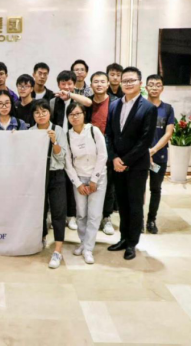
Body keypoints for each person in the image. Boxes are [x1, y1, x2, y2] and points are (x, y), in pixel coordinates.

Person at [106, 67, 158, 261]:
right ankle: (123, 238)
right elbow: (109, 135)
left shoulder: (148, 108)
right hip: (117, 164)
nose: (128, 84)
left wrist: (125, 161)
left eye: (131, 80)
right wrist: (114, 158)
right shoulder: (114, 105)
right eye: (125, 80)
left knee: (135, 204)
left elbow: (145, 141)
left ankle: (132, 243)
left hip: (136, 166)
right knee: (122, 204)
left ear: (140, 83)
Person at [64, 103, 108, 265]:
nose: (75, 117)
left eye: (78, 113)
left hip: (98, 177)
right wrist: (77, 183)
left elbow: (103, 155)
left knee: (94, 215)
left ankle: (88, 248)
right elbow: (68, 162)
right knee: (81, 214)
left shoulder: (93, 131)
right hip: (79, 178)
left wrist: (94, 179)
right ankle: (83, 242)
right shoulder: (67, 135)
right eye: (71, 114)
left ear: (84, 114)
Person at [50, 71, 92, 231]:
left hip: (76, 144)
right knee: (60, 181)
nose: (66, 87)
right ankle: (59, 215)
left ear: (74, 84)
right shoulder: (53, 101)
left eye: (69, 83)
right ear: (58, 84)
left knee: (74, 180)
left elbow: (89, 103)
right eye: (63, 83)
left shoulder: (78, 101)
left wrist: (70, 95)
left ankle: (72, 215)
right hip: (59, 145)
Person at [30, 100, 68, 270]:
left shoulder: (58, 130)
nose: (41, 115)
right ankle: (41, 238)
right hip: (38, 175)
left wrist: (54, 142)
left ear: (49, 113)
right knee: (39, 210)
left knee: (58, 211)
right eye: (37, 112)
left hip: (56, 174)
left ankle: (58, 250)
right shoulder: (30, 132)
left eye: (44, 111)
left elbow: (62, 157)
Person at [85, 72, 117, 236]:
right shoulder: (87, 103)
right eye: (96, 82)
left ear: (107, 84)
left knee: (108, 184)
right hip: (89, 149)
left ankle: (106, 217)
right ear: (91, 85)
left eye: (102, 82)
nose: (99, 85)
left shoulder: (115, 103)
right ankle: (90, 217)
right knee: (89, 182)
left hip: (109, 149)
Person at [146, 74, 176, 235]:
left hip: (159, 156)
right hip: (140, 156)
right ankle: (136, 220)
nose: (154, 87)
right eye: (151, 84)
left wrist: (153, 150)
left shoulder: (168, 109)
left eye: (158, 85)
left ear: (162, 88)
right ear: (146, 87)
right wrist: (145, 151)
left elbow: (168, 133)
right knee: (137, 189)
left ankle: (151, 220)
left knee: (155, 189)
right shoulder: (140, 106)